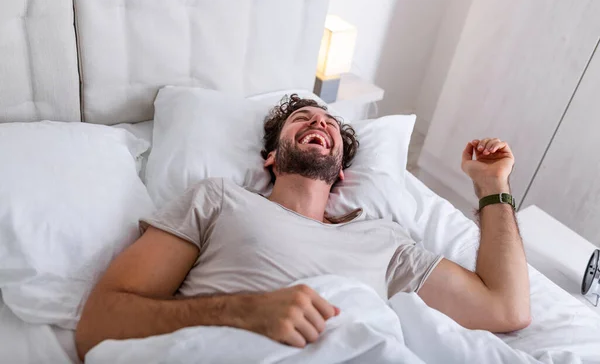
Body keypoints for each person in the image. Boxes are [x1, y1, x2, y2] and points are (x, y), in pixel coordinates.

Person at [76, 95, 531, 359]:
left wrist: (494, 188)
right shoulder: (219, 199)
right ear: (271, 157)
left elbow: (506, 308)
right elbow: (98, 323)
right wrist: (240, 311)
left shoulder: (384, 241)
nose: (318, 120)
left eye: (328, 123)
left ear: (341, 175)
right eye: (303, 119)